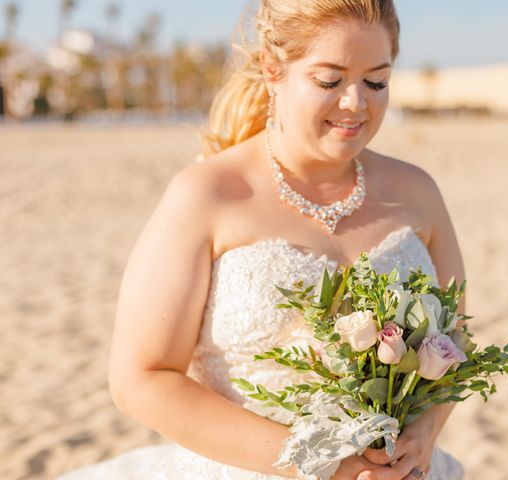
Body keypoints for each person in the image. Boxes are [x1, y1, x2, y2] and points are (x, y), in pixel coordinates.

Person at [57, 1, 466, 479]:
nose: (357, 102)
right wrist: (318, 461)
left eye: (376, 81)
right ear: (273, 70)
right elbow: (141, 379)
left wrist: (425, 432)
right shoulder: (206, 196)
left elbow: (454, 336)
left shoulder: (417, 191)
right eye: (329, 81)